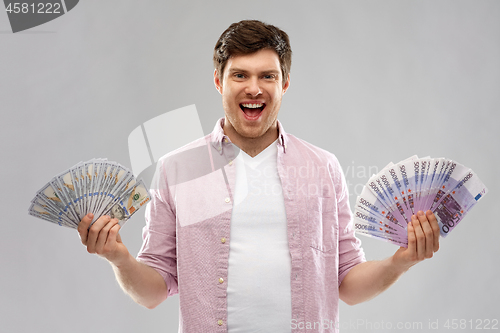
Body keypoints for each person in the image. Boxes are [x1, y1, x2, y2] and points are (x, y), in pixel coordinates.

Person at [77, 20, 440, 332]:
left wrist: (400, 261)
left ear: (283, 85)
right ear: (219, 82)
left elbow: (347, 282)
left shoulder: (323, 167)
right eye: (240, 75)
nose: (254, 88)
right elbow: (154, 291)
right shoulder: (178, 168)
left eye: (267, 75)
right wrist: (120, 259)